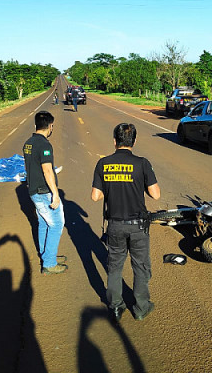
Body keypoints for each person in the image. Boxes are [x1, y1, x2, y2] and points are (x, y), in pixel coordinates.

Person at [91, 123, 160, 322]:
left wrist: (111, 185)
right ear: (134, 141)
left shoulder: (103, 163)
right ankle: (141, 308)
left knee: (114, 266)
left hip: (115, 225)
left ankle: (115, 307)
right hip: (138, 225)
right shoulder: (142, 163)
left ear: (115, 142)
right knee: (140, 266)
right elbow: (155, 195)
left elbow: (95, 196)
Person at [23, 111, 67, 275]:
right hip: (44, 191)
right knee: (56, 225)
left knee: (43, 224)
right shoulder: (44, 145)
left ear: (35, 125)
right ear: (50, 126)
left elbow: (32, 166)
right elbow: (47, 170)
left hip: (33, 190)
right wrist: (55, 193)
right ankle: (49, 263)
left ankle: (47, 255)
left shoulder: (28, 143)